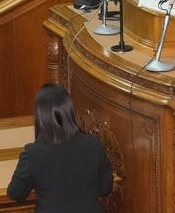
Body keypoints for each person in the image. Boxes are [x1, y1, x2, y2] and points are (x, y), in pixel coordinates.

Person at [7, 83, 113, 211]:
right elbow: (105, 188)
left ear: (41, 117)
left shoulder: (32, 154)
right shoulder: (94, 144)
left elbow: (16, 193)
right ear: (70, 112)